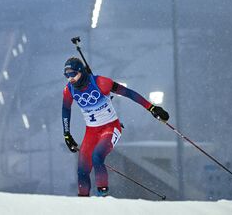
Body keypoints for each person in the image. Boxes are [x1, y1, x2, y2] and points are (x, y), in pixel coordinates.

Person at [61, 57, 169, 197]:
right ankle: (83, 202)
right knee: (82, 169)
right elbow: (65, 109)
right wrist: (66, 134)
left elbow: (128, 93)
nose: (70, 79)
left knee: (97, 157)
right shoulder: (68, 90)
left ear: (81, 71)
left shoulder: (101, 82)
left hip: (110, 128)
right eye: (67, 75)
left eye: (73, 74)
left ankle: (103, 197)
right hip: (91, 131)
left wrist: (152, 107)